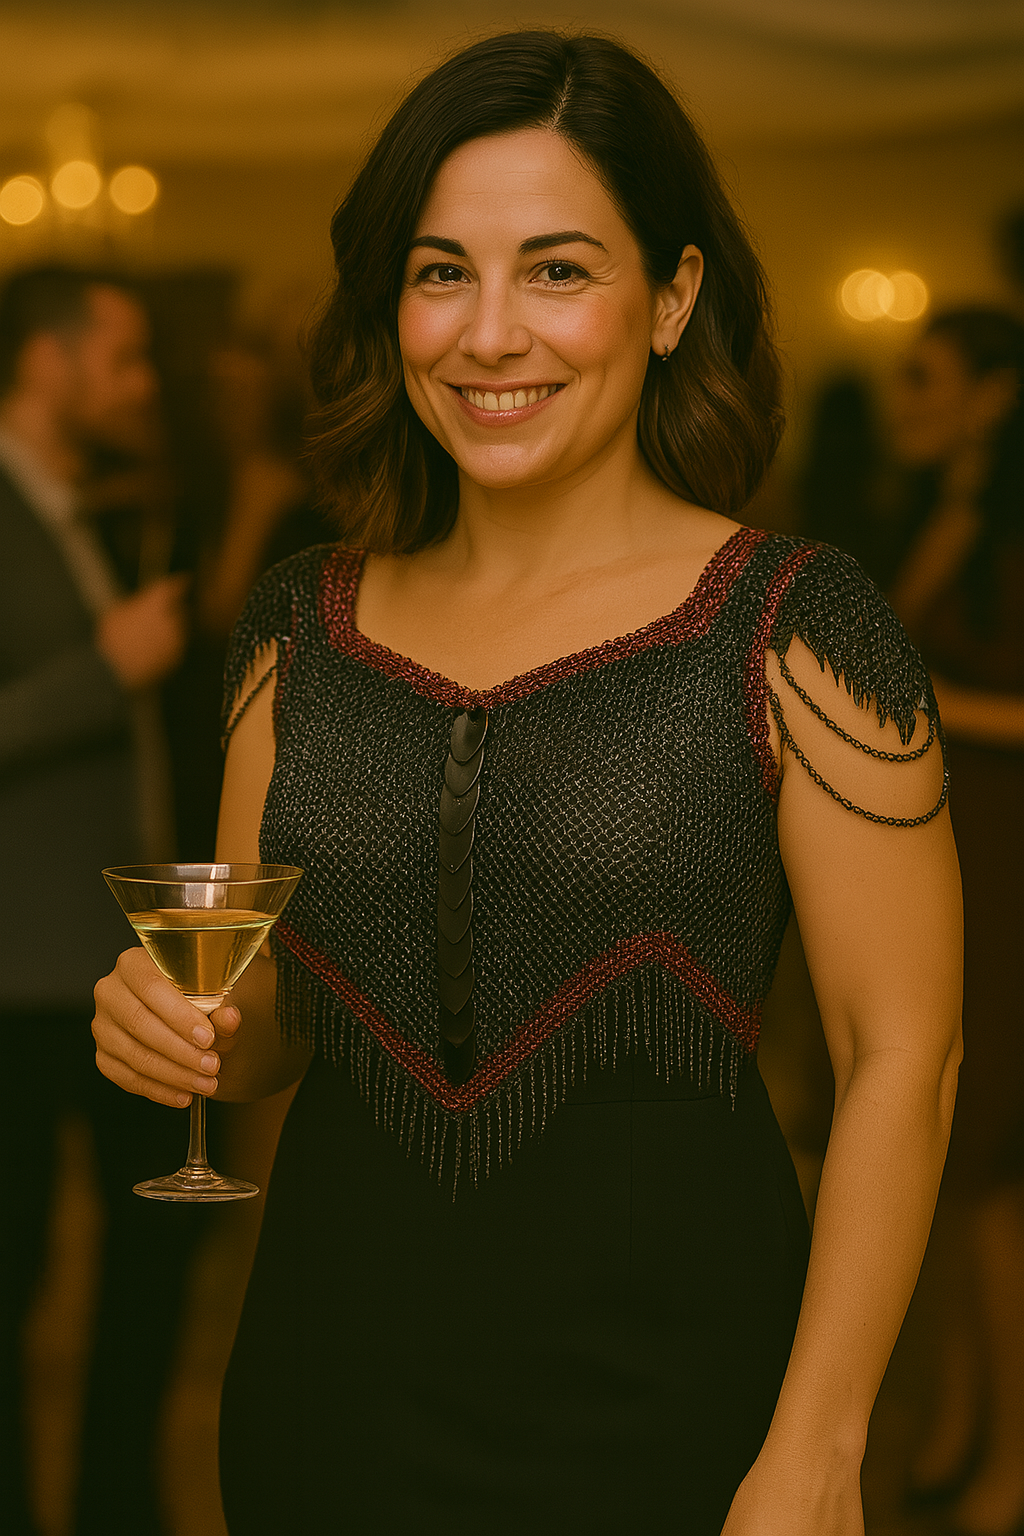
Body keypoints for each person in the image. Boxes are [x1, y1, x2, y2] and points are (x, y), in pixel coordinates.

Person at [92, 32, 962, 1536]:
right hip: (326, 1383)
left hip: (681, 1397)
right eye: (442, 273)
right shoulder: (301, 621)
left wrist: (819, 1442)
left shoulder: (792, 619)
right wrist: (173, 1030)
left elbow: (904, 1055)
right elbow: (267, 1030)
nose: (490, 335)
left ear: (674, 297)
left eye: (558, 270)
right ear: (393, 302)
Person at [0, 266, 196, 1536]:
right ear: (50, 360)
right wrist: (102, 670)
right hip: (13, 971)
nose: (144, 386)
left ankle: (123, 1508)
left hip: (114, 963)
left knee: (158, 1254)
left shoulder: (72, 507)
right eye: (122, 358)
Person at [887, 307, 1024, 1536]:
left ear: (992, 394)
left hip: (1007, 854)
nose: (898, 394)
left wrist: (920, 705)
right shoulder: (942, 509)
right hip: (950, 856)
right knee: (969, 1169)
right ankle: (962, 1421)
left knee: (987, 1162)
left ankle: (1001, 1459)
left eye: (923, 376)